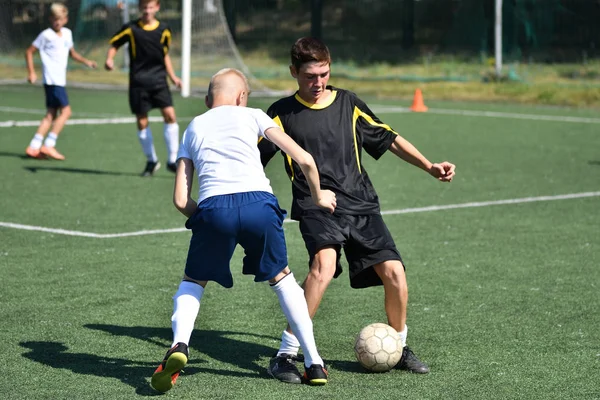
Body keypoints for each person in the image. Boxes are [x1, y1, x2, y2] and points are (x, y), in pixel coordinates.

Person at [259, 37, 457, 383]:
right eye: (309, 76)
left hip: (361, 203)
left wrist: (429, 166)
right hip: (315, 204)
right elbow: (251, 159)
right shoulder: (279, 114)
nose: (318, 83)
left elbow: (389, 138)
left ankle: (397, 345)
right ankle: (286, 354)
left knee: (394, 272)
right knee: (324, 265)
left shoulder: (348, 104)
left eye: (323, 73)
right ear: (293, 72)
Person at [150, 68, 337, 393]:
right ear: (242, 97)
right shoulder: (253, 115)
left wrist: (206, 218)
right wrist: (320, 196)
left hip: (213, 207)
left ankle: (179, 345)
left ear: (209, 100)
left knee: (193, 281)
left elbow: (181, 199)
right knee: (283, 279)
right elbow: (305, 159)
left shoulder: (194, 126)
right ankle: (314, 362)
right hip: (259, 205)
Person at [104, 0, 181, 177]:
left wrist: (173, 77)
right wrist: (109, 59)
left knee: (170, 115)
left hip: (159, 80)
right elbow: (114, 45)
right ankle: (151, 160)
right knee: (142, 121)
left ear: (157, 8)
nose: (147, 11)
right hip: (139, 82)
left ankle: (172, 160)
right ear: (140, 8)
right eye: (144, 7)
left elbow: (165, 55)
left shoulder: (164, 30)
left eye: (151, 7)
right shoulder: (131, 28)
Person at [24, 2, 97, 160]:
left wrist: (87, 62)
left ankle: (34, 147)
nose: (57, 22)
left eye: (60, 19)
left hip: (59, 80)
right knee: (66, 112)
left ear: (65, 19)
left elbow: (72, 53)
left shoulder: (67, 33)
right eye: (54, 19)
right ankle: (49, 144)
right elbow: (29, 52)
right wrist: (31, 72)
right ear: (50, 19)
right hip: (52, 80)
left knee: (50, 115)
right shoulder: (46, 35)